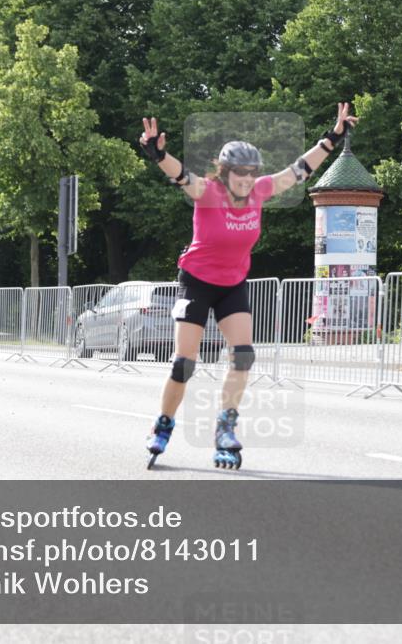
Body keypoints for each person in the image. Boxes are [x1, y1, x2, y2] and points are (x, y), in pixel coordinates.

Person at [138, 103, 359, 469]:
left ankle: (225, 428)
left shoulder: (260, 191)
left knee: (243, 355)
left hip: (232, 284)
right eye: (239, 173)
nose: (246, 179)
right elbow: (181, 175)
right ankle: (163, 424)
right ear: (225, 173)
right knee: (183, 364)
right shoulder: (208, 192)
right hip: (196, 282)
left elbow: (299, 170)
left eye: (251, 173)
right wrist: (159, 155)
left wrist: (333, 137)